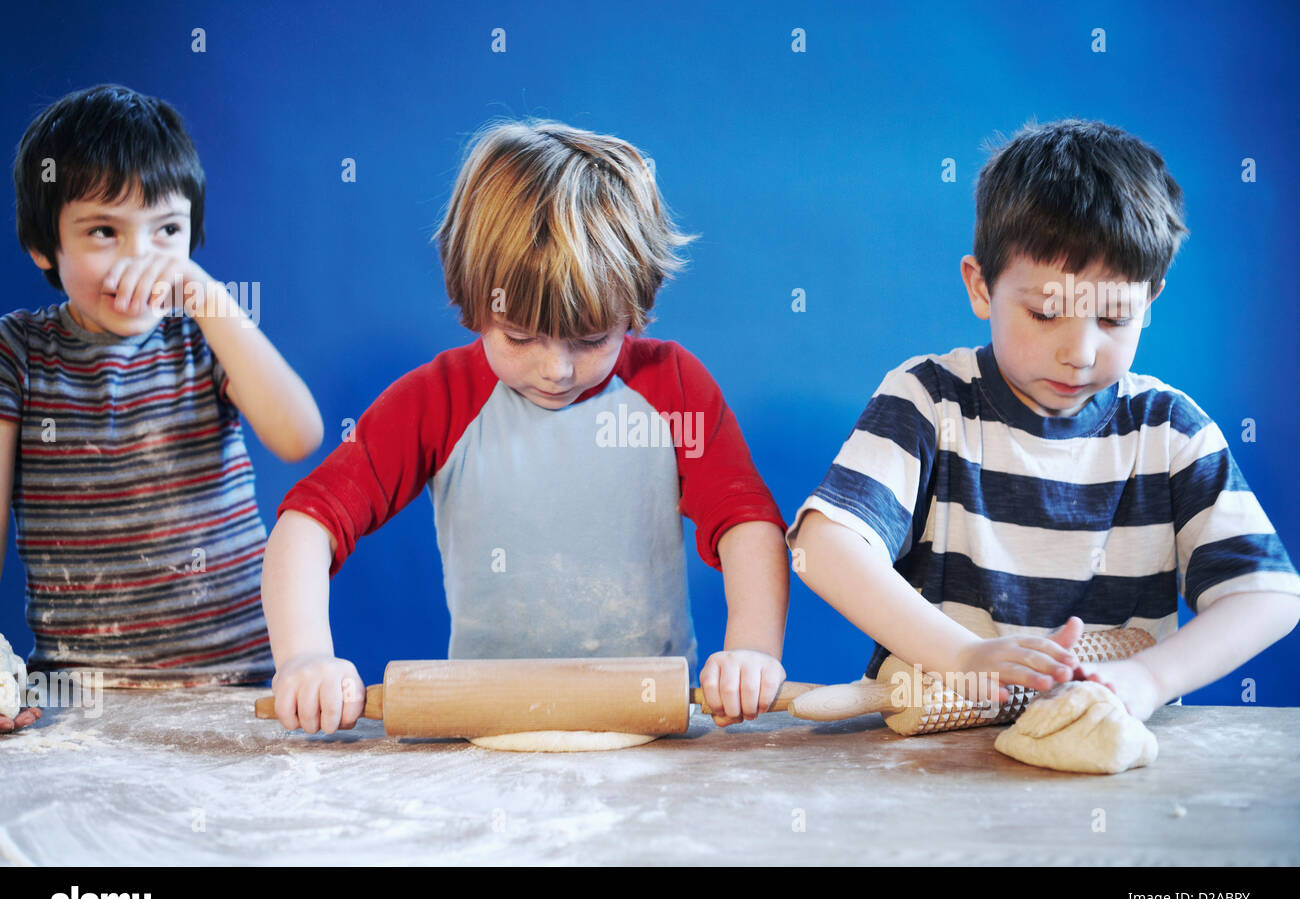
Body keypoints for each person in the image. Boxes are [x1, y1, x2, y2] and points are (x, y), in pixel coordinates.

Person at [263, 120, 789, 734]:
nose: (557, 369)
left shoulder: (671, 388)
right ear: (474, 304)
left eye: (592, 340)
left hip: (649, 724)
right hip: (488, 727)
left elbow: (748, 524)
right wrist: (304, 658)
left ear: (634, 310)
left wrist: (753, 649)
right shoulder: (441, 400)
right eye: (519, 338)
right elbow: (307, 525)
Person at [788, 119, 1300, 719]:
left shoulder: (1169, 432)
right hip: (935, 762)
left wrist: (1148, 679)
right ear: (981, 288)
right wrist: (965, 656)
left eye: (1112, 320)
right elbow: (822, 548)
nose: (1079, 352)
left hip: (1103, 756)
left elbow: (1268, 595)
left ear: (1150, 301)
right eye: (1044, 312)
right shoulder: (929, 402)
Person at [0, 85, 323, 732]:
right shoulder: (18, 353)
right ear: (43, 246)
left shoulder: (204, 338)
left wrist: (205, 297)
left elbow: (298, 435)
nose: (140, 259)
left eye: (166, 231)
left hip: (239, 686)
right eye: (102, 231)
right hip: (77, 701)